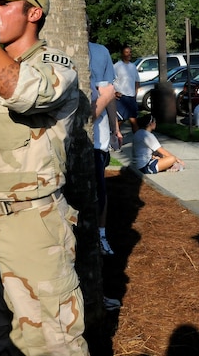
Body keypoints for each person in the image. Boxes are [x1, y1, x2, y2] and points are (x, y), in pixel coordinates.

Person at [0, 0, 88, 356]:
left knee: (51, 341)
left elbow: (21, 92)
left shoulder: (55, 67)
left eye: (2, 4)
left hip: (31, 223)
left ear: (33, 12)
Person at [89, 41, 122, 255]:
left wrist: (115, 129)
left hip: (97, 138)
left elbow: (108, 93)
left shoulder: (100, 52)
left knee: (100, 189)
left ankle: (101, 235)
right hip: (67, 136)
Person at [114, 45, 141, 133]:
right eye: (126, 52)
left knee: (134, 120)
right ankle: (114, 141)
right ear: (122, 54)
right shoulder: (116, 66)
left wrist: (135, 93)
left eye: (130, 52)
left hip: (131, 97)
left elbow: (137, 81)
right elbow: (110, 81)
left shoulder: (133, 67)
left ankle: (138, 140)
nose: (129, 54)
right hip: (121, 98)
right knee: (119, 121)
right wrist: (115, 92)